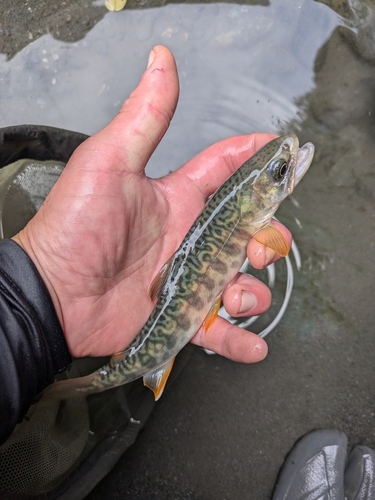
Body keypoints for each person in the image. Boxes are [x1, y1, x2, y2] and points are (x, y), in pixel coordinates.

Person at [0, 45, 291, 446]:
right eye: (279, 174)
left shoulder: (249, 214)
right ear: (255, 200)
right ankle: (93, 381)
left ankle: (97, 377)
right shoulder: (255, 220)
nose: (286, 168)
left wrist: (37, 297)